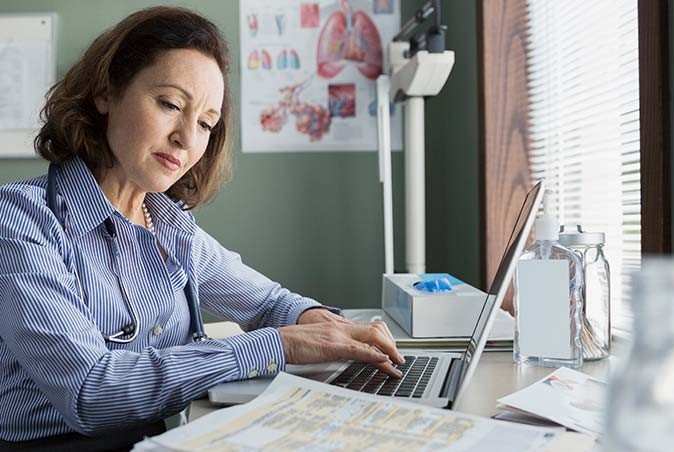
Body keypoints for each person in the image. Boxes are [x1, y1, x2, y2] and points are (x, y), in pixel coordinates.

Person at [0, 6, 403, 449]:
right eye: (171, 104)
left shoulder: (172, 227)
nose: (187, 138)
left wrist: (322, 326)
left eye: (206, 123)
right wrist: (278, 345)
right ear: (106, 93)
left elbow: (269, 302)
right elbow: (92, 392)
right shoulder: (20, 221)